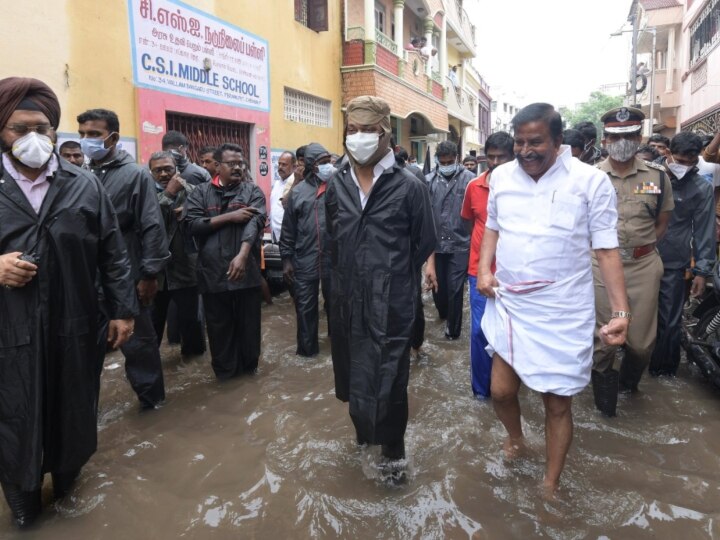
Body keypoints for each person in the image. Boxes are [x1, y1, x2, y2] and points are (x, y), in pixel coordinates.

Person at [0, 77, 137, 528]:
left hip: (75, 321)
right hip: (8, 331)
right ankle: (22, 500)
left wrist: (122, 311)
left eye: (42, 128)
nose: (33, 139)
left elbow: (113, 253)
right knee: (13, 415)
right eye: (20, 129)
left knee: (74, 407)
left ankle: (66, 481)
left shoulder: (85, 185)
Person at [477, 103, 630, 493]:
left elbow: (607, 250)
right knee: (500, 391)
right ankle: (515, 437)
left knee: (557, 403)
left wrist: (620, 311)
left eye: (536, 142)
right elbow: (492, 227)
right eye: (519, 142)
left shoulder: (589, 182)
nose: (526, 151)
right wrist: (483, 269)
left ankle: (550, 483)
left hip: (564, 307)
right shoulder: (502, 177)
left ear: (559, 142)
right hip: (511, 302)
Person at [325, 96, 436, 481]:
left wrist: (389, 274)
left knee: (389, 379)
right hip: (347, 298)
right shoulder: (337, 183)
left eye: (368, 131)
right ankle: (362, 439)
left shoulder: (409, 185)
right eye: (352, 131)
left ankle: (393, 461)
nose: (358, 138)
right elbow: (333, 241)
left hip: (392, 299)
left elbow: (424, 242)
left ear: (385, 133)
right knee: (354, 373)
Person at [77, 108, 170, 409]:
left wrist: (150, 274)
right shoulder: (83, 176)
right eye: (82, 135)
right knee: (86, 346)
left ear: (113, 137)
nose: (86, 141)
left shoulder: (136, 176)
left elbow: (152, 225)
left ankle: (153, 405)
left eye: (93, 134)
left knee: (139, 345)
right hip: (88, 279)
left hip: (126, 277)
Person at [591, 106, 673, 417]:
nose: (621, 141)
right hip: (599, 266)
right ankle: (605, 406)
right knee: (605, 339)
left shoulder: (657, 177)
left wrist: (640, 249)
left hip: (642, 266)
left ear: (639, 137)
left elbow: (662, 221)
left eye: (628, 135)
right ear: (604, 139)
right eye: (614, 135)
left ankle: (628, 386)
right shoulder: (592, 177)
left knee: (641, 344)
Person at [185, 143, 266, 379]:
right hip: (213, 275)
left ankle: (249, 376)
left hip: (246, 274)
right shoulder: (200, 193)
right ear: (218, 166)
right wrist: (230, 216)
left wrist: (242, 256)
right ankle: (226, 379)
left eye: (241, 163)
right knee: (219, 331)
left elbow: (255, 222)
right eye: (232, 164)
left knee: (249, 330)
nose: (238, 167)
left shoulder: (252, 192)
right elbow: (192, 226)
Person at [650, 132, 716, 376]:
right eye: (680, 160)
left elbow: (704, 229)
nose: (685, 167)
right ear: (668, 153)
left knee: (670, 321)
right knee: (633, 316)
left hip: (674, 262)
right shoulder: (649, 178)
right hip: (640, 258)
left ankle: (663, 374)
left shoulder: (700, 188)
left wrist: (701, 270)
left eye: (692, 162)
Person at [462, 131, 514, 398]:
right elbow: (472, 222)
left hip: (515, 274)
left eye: (501, 157)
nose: (494, 163)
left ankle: (511, 387)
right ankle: (482, 393)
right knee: (480, 332)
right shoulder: (474, 187)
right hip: (478, 271)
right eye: (490, 157)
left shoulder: (523, 188)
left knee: (514, 334)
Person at [148, 151, 206, 356]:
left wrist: (188, 210)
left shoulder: (193, 191)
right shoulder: (144, 193)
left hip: (185, 268)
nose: (163, 174)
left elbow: (207, 215)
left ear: (177, 171)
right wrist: (169, 194)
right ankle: (147, 365)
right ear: (150, 172)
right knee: (151, 324)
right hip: (154, 272)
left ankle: (193, 362)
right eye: (158, 170)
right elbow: (147, 220)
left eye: (168, 169)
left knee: (191, 322)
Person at [280, 143, 333, 357]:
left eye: (329, 161)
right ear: (312, 165)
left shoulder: (338, 187)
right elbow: (288, 230)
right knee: (305, 310)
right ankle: (307, 355)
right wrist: (286, 261)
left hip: (334, 260)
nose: (329, 166)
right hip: (305, 259)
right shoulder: (298, 193)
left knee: (337, 308)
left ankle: (337, 351)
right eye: (323, 163)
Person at [424, 141, 475, 340]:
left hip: (461, 243)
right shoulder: (427, 181)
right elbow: (425, 217)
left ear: (457, 159)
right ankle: (443, 315)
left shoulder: (470, 180)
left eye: (450, 161)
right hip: (436, 246)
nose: (446, 165)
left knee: (455, 289)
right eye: (442, 162)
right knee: (438, 288)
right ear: (437, 160)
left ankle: (452, 334)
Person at [271, 151, 296, 242]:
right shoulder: (277, 183)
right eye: (279, 164)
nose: (280, 167)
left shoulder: (295, 184)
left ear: (294, 167)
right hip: (275, 234)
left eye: (284, 165)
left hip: (288, 237)